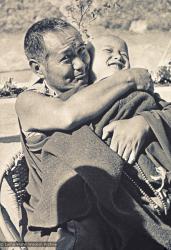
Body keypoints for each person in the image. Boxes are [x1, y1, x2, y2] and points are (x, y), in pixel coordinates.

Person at [15, 18, 167, 249]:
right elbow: (68, 114)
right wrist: (130, 77)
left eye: (82, 52)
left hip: (134, 202)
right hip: (69, 223)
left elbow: (161, 109)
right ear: (38, 68)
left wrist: (144, 122)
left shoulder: (97, 88)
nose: (80, 65)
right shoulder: (29, 101)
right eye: (67, 58)